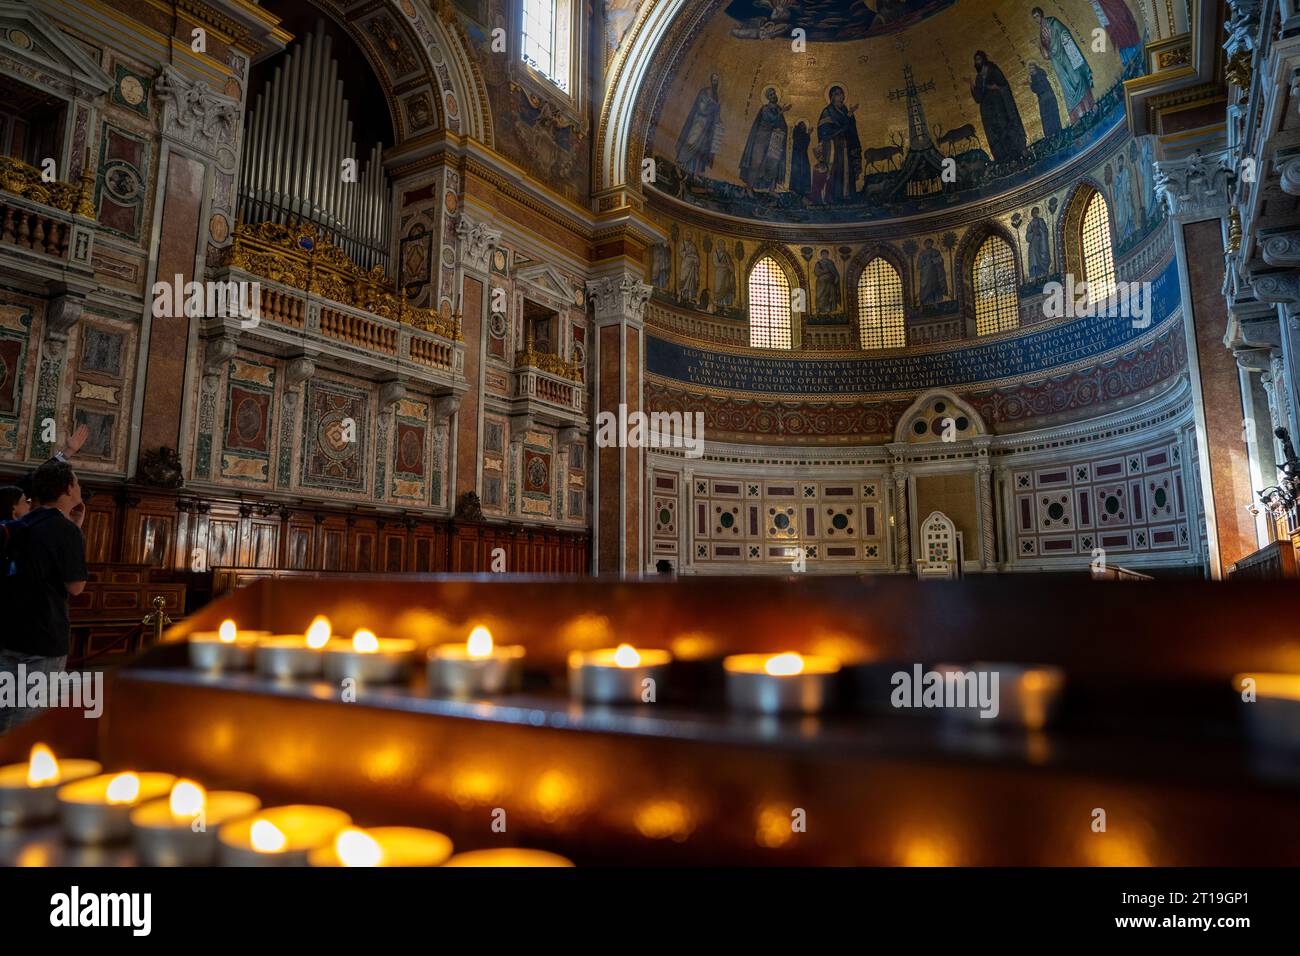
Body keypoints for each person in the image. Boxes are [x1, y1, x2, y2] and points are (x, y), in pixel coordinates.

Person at [0, 460, 88, 734]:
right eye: (77, 482)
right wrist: (76, 531)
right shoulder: (66, 530)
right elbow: (76, 587)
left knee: (4, 713)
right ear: (68, 488)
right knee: (31, 720)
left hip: (9, 630)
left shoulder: (19, 523)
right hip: (44, 634)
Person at [1034, 7, 1094, 124]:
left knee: (1075, 77)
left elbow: (1064, 33)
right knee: (1066, 84)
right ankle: (1078, 116)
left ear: (1041, 14)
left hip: (1065, 52)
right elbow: (1046, 56)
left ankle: (1089, 106)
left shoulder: (1053, 21)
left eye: (1036, 15)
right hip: (1056, 59)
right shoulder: (1041, 33)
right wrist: (1040, 45)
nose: (1036, 19)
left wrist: (1063, 45)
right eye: (1034, 17)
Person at [970, 51, 1027, 163]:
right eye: (975, 60)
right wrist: (972, 85)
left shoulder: (993, 70)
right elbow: (978, 98)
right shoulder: (979, 78)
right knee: (994, 133)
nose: (977, 62)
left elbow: (1003, 85)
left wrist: (994, 87)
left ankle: (1016, 153)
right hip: (988, 112)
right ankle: (1002, 158)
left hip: (999, 107)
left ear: (983, 59)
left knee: (1005, 128)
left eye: (978, 59)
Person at [817, 86, 861, 203]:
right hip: (833, 147)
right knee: (835, 170)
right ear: (831, 97)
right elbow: (824, 130)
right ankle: (832, 197)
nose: (841, 96)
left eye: (842, 94)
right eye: (837, 94)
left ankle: (847, 196)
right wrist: (840, 129)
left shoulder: (846, 110)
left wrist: (850, 116)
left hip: (846, 147)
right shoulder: (828, 111)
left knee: (847, 170)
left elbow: (851, 129)